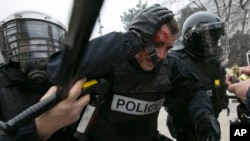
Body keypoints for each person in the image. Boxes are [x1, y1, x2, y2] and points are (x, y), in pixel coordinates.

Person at [47, 4, 220, 141]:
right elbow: (58, 70)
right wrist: (130, 40)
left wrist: (204, 115)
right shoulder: (111, 58)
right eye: (157, 44)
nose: (161, 56)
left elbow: (194, 90)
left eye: (168, 48)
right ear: (139, 37)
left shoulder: (170, 65)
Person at [0, 10, 90, 141]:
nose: (36, 45)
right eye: (27, 39)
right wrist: (41, 128)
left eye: (44, 39)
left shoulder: (67, 82)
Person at [165, 11, 229, 141]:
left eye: (215, 38)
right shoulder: (176, 62)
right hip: (186, 128)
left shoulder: (213, 62)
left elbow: (218, 84)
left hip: (211, 120)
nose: (213, 43)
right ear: (194, 38)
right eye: (208, 38)